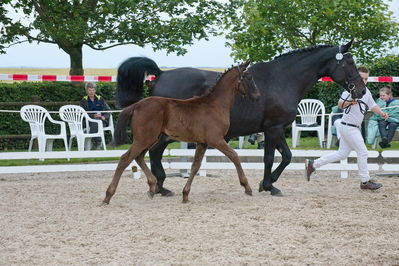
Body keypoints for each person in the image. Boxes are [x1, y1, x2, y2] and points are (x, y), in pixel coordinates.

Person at [305, 67, 388, 190]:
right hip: (349, 128)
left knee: (342, 153)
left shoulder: (367, 92)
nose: (364, 80)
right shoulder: (350, 90)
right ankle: (365, 181)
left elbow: (373, 105)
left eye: (366, 78)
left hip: (350, 127)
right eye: (361, 78)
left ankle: (313, 164)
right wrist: (350, 102)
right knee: (363, 152)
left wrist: (381, 113)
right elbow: (340, 104)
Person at [80, 82, 111, 150]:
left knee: (98, 122)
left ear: (95, 90)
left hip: (101, 120)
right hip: (88, 121)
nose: (91, 92)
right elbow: (82, 113)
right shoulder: (83, 100)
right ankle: (98, 143)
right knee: (96, 122)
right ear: (86, 90)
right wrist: (93, 115)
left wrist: (104, 117)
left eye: (93, 90)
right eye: (89, 90)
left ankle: (95, 142)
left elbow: (108, 110)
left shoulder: (100, 99)